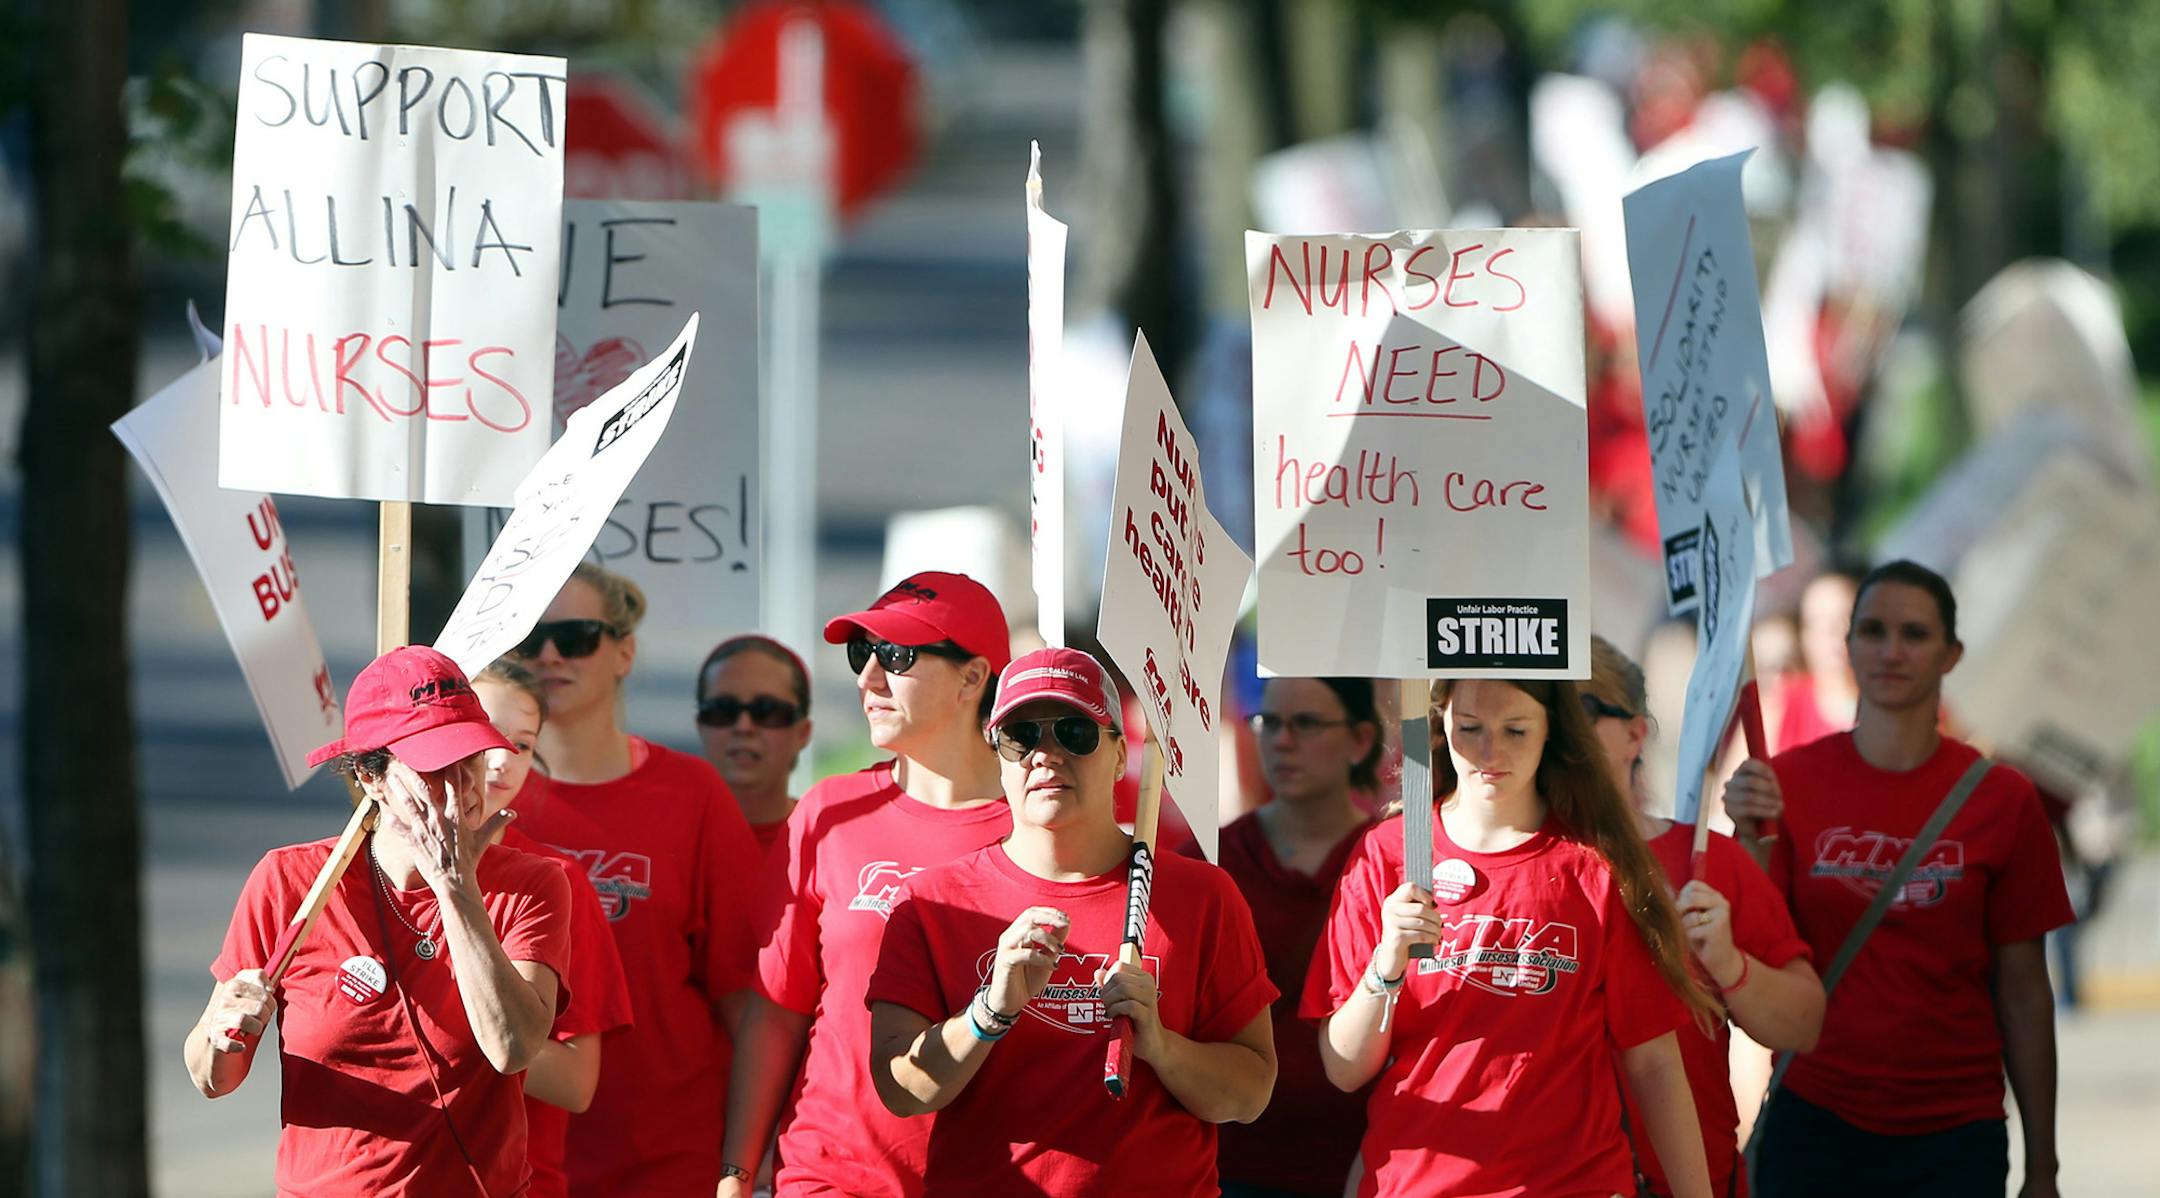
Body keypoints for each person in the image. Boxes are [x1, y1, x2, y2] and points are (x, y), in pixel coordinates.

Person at [866, 646, 1278, 1195]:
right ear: (999, 758)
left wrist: (1161, 1045)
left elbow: (1250, 1095)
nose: (1046, 754)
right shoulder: (931, 901)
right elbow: (903, 1090)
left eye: (1074, 732)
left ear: (1117, 755)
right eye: (1022, 737)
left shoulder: (1203, 895)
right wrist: (990, 1011)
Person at [1306, 676, 1720, 1198]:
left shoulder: (1596, 867)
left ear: (1553, 733)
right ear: (1442, 725)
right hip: (1418, 1185)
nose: (1489, 750)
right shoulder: (1386, 855)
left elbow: (1654, 1062)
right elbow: (1343, 1068)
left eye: (1516, 730)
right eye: (1470, 727)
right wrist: (1386, 963)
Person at [186, 646, 570, 1196]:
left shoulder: (533, 883)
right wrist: (222, 1034)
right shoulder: (290, 881)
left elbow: (513, 1048)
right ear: (372, 775)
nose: (463, 786)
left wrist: (455, 884)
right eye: (436, 767)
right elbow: (211, 1079)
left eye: (472, 759)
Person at [1746, 560, 2072, 1198]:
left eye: (1915, 634)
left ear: (1952, 654)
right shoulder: (1787, 783)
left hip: (1955, 1135)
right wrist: (1745, 835)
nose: (1891, 650)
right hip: (1814, 1120)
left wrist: (2043, 1167)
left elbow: (2026, 993)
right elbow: (1750, 953)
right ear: (1846, 647)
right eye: (1872, 630)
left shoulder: (2002, 799)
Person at [720, 572, 1016, 1197]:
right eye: (863, 654)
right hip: (830, 1174)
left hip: (990, 1177)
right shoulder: (830, 813)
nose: (868, 679)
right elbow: (777, 1012)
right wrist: (736, 1175)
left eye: (898, 656)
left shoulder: (1042, 829)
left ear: (973, 677)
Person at [507, 561, 764, 1195]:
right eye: (529, 637)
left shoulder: (689, 792)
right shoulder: (483, 796)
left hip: (666, 1156)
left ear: (623, 652)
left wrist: (748, 1156)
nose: (548, 655)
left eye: (575, 638)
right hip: (518, 1158)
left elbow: (744, 995)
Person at [1582, 637, 1823, 1197]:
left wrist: (1729, 962)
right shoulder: (1496, 863)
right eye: (1545, 711)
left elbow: (1803, 1023)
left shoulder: (1707, 862)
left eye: (1583, 711)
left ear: (1635, 733)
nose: (1561, 732)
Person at [1195, 677, 1380, 1197]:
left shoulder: (1397, 861)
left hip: (1364, 1163)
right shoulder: (1209, 859)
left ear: (1361, 739)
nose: (1281, 740)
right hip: (1227, 1162)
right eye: (1269, 722)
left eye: (1306, 723)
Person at [469, 659, 635, 1198]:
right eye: (486, 734)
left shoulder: (555, 881)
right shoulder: (350, 870)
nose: (502, 760)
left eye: (521, 744)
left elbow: (574, 1082)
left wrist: (461, 1013)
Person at [695, 634, 815, 852]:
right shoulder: (661, 839)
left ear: (803, 732)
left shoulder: (830, 846)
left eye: (767, 710)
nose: (744, 727)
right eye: (723, 710)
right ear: (700, 726)